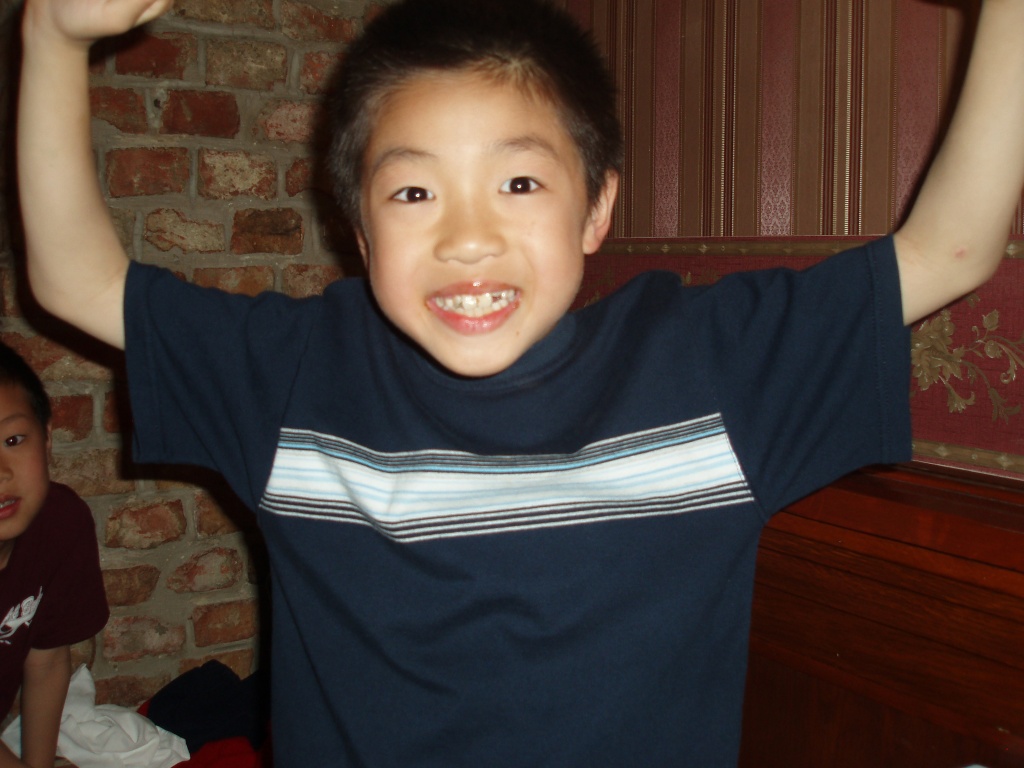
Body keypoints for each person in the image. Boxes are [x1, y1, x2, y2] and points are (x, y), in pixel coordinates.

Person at [15, 0, 1024, 765]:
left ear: (597, 209)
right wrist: (53, 37)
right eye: (414, 190)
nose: (467, 237)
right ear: (360, 233)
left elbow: (947, 250)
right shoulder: (297, 373)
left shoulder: (704, 366)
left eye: (519, 182)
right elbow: (77, 282)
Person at [0, 342, 108, 768]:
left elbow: (45, 662)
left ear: (46, 439)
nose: (1, 472)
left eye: (13, 440)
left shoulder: (61, 524)